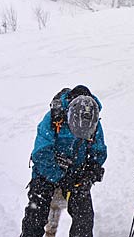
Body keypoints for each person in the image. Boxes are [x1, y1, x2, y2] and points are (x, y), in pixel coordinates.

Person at [20, 85, 107, 237]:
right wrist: (59, 176)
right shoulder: (53, 118)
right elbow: (41, 154)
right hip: (46, 173)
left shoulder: (93, 120)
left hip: (76, 175)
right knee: (34, 217)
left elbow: (98, 152)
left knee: (84, 219)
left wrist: (91, 171)